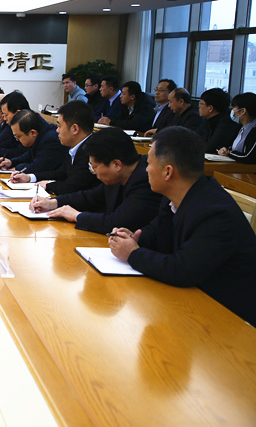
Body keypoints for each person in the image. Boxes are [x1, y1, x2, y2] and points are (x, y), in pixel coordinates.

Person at [109, 127, 256, 326]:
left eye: (149, 163)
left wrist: (133, 254)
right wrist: (134, 237)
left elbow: (182, 270)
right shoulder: (177, 195)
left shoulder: (215, 213)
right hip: (189, 301)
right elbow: (157, 231)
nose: (146, 170)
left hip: (228, 319)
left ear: (168, 171)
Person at [31, 127, 161, 234]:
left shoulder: (146, 180)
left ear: (116, 165)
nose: (94, 172)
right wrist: (53, 203)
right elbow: (91, 197)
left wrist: (77, 216)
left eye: (94, 167)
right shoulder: (120, 174)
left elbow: (117, 222)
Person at [10, 101, 101, 195]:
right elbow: (61, 173)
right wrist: (30, 178)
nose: (57, 130)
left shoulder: (91, 152)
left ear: (74, 129)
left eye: (60, 126)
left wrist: (48, 186)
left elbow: (73, 186)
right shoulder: (74, 147)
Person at [0, 110, 66, 173]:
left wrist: (17, 168)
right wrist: (11, 162)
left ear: (33, 133)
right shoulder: (40, 133)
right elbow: (29, 155)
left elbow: (37, 167)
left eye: (18, 137)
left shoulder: (51, 140)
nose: (17, 140)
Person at [197, 88, 241, 153]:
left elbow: (211, 147)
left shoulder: (227, 123)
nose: (199, 106)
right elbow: (193, 138)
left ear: (210, 108)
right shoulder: (208, 119)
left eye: (201, 104)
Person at [218, 92, 256, 163]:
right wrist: (225, 150)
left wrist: (229, 153)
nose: (232, 111)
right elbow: (234, 148)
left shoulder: (254, 130)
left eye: (233, 107)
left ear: (243, 111)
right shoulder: (241, 127)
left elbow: (249, 157)